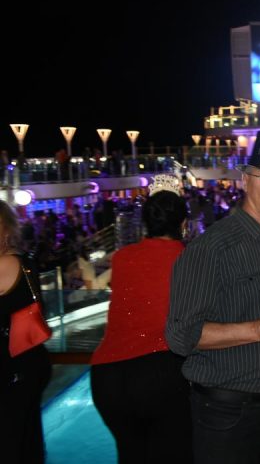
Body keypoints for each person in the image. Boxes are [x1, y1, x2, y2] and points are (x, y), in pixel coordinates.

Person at [166, 131, 260, 464]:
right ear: (245, 180)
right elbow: (180, 336)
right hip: (227, 413)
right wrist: (258, 329)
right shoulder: (210, 248)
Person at [90, 175, 192, 464]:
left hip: (108, 378)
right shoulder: (189, 259)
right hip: (160, 373)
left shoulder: (122, 257)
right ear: (183, 224)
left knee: (132, 455)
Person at [0, 199, 52, 464]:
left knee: (10, 444)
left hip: (13, 369)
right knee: (26, 437)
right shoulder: (24, 261)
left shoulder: (4, 264)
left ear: (7, 230)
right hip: (30, 361)